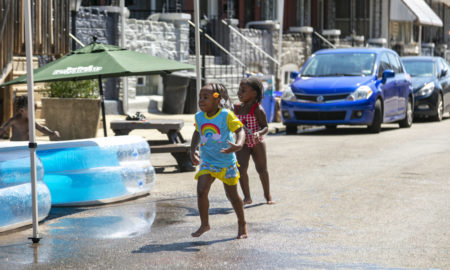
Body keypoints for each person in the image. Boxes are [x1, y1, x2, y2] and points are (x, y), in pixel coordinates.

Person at [190, 83, 247, 239]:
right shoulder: (199, 117)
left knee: (233, 196)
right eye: (200, 97)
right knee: (201, 190)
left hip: (226, 161)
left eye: (206, 97)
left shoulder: (226, 115)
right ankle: (204, 224)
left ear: (218, 100)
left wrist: (239, 144)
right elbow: (197, 132)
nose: (201, 100)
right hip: (208, 161)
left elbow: (240, 130)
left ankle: (242, 224)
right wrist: (192, 150)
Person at [234, 77, 274, 205]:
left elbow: (265, 127)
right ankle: (247, 197)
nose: (239, 93)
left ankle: (268, 196)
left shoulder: (258, 109)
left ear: (254, 94)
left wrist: (259, 133)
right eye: (239, 90)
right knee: (241, 169)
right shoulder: (237, 108)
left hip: (257, 142)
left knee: (262, 169)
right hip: (243, 143)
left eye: (243, 90)